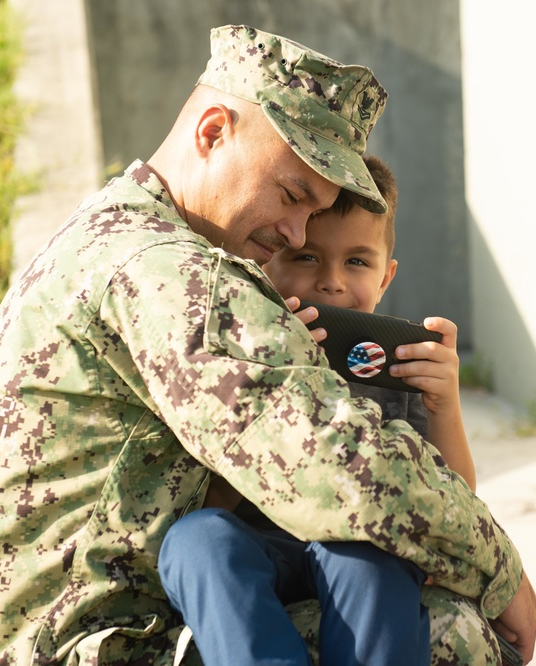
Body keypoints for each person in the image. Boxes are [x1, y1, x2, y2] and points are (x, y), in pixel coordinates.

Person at [0, 24, 536, 665]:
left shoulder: (112, 229)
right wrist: (499, 569)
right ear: (212, 133)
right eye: (292, 196)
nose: (294, 234)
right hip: (68, 646)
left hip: (41, 634)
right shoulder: (172, 271)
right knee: (454, 633)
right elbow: (338, 466)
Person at [161, 154, 480, 665]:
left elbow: (456, 497)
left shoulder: (398, 369)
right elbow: (210, 502)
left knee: (370, 548)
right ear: (266, 264)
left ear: (385, 277)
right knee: (195, 540)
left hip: (356, 547)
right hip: (258, 543)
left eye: (357, 261)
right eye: (307, 257)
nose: (331, 281)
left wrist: (443, 403)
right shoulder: (238, 353)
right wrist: (274, 363)